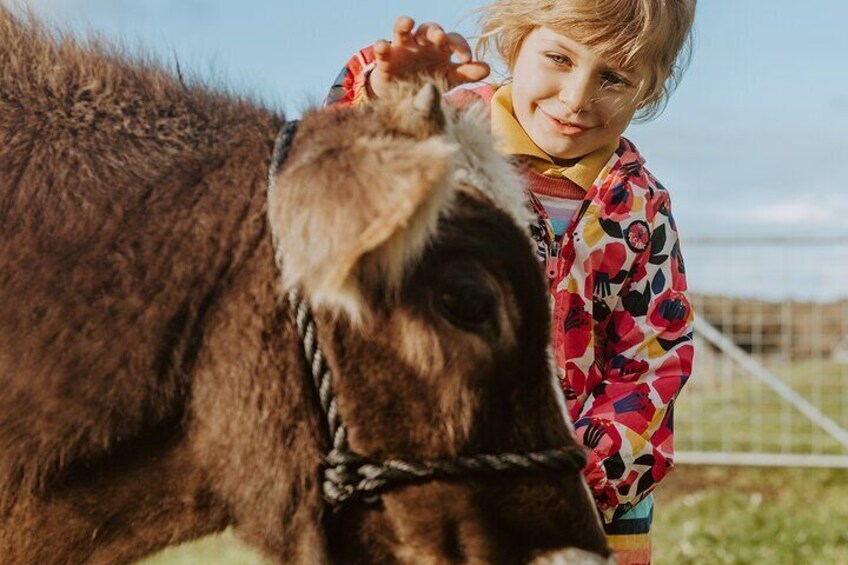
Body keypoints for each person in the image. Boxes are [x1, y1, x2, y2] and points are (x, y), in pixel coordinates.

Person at [323, 2, 696, 563]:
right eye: (558, 57)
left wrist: (572, 476)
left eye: (613, 77)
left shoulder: (640, 206)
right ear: (514, 41)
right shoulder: (444, 145)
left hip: (588, 499)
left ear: (650, 86)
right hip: (442, 476)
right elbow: (336, 185)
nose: (575, 98)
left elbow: (653, 355)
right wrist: (381, 100)